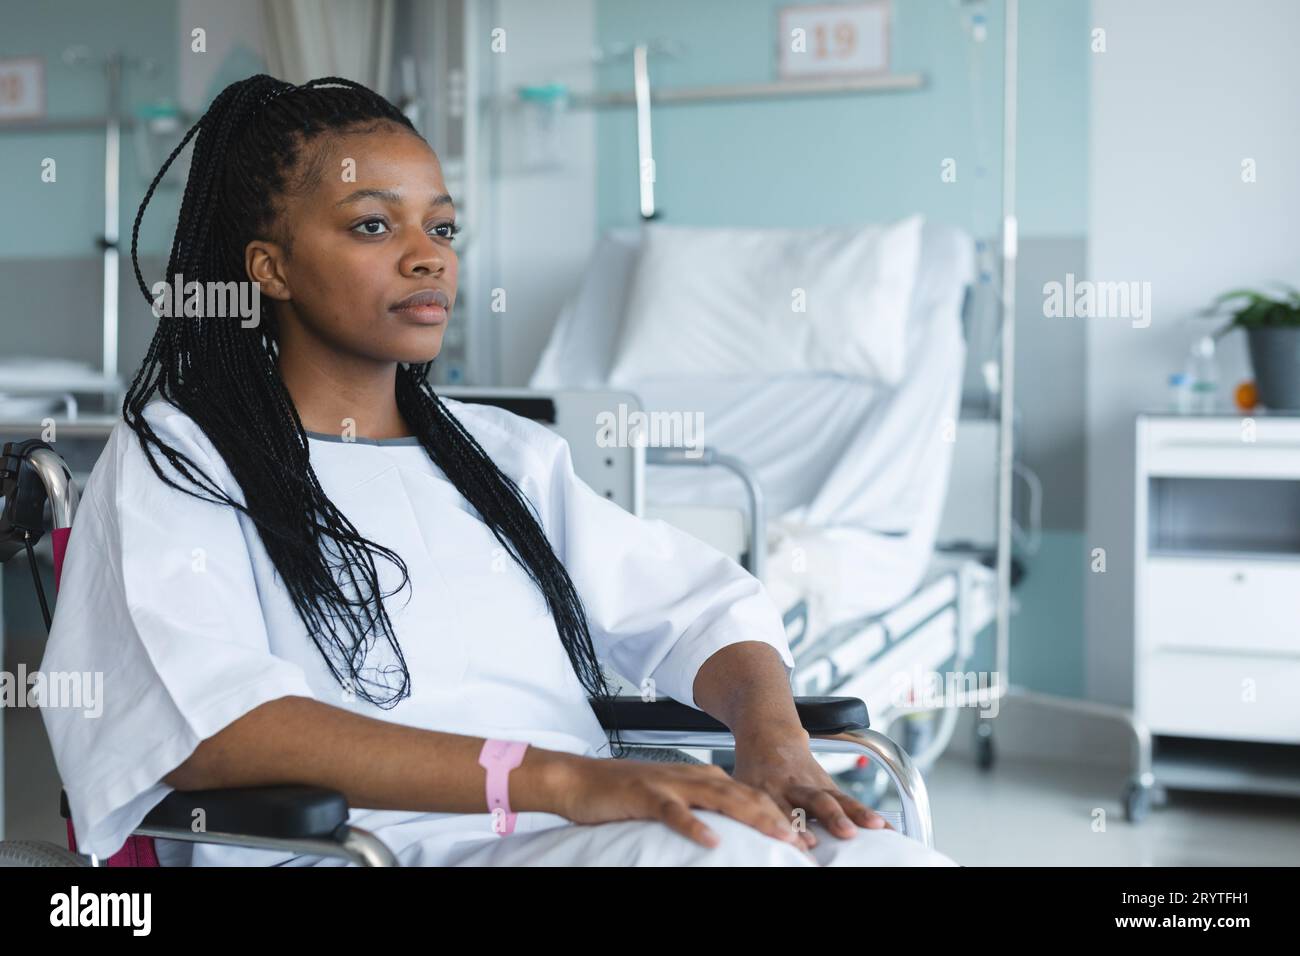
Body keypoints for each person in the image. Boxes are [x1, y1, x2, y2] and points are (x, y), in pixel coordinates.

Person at [39, 75, 955, 867]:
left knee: (883, 853)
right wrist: (566, 779)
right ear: (269, 269)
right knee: (725, 855)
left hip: (568, 833)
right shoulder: (183, 456)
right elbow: (210, 727)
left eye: (442, 224)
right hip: (361, 847)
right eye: (371, 224)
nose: (428, 252)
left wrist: (775, 738)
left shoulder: (505, 456)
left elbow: (705, 609)